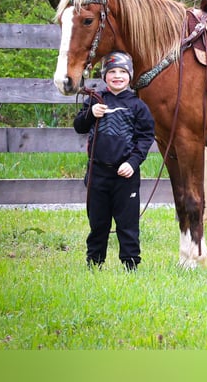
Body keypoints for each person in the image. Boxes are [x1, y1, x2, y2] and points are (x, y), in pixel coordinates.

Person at [73, 51, 155, 271]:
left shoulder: (138, 106)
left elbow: (146, 137)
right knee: (98, 223)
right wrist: (91, 113)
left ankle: (131, 265)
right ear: (104, 76)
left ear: (129, 75)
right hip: (98, 174)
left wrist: (133, 162)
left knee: (127, 224)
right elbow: (79, 125)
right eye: (112, 72)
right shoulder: (96, 99)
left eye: (122, 71)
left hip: (125, 176)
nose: (117, 76)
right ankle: (94, 263)